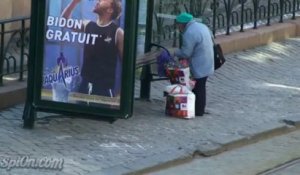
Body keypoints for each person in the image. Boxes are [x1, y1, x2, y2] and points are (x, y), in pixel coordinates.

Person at [61, 0, 124, 98]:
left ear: (110, 9)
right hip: (84, 86)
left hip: (104, 90)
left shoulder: (118, 33)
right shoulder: (88, 25)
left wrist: (120, 95)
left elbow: (126, 66)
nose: (98, 1)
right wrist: (74, 3)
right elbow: (64, 21)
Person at [174, 12, 214, 116]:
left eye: (178, 25)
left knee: (199, 87)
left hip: (199, 64)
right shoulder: (201, 26)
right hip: (208, 60)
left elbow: (186, 53)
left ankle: (198, 110)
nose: (178, 27)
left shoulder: (189, 33)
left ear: (182, 24)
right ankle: (198, 108)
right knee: (201, 86)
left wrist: (175, 52)